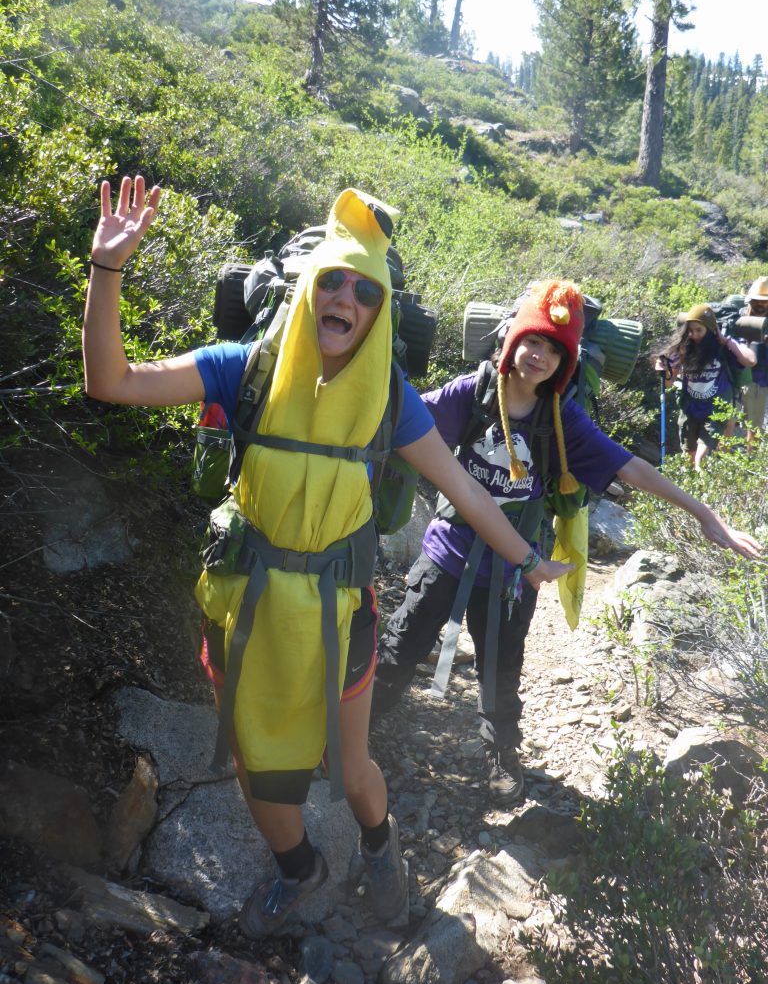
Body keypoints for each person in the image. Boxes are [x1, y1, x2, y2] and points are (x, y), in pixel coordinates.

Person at [81, 176, 574, 936]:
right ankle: (300, 867)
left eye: (364, 290)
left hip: (342, 608)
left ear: (378, 312)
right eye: (332, 281)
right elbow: (109, 381)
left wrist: (526, 560)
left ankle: (380, 846)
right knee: (256, 763)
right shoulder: (242, 367)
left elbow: (467, 496)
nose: (345, 297)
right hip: (245, 603)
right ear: (310, 289)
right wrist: (106, 270)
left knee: (350, 769)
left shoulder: (389, 398)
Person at [372, 281, 762, 805]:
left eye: (555, 349)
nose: (539, 356)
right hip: (448, 553)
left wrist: (703, 513)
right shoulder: (475, 391)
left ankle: (501, 755)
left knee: (501, 671)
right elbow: (406, 418)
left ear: (566, 361)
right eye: (533, 341)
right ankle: (358, 732)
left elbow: (631, 465)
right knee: (400, 649)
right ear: (512, 340)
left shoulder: (562, 418)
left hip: (513, 572)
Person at [656, 303, 757, 471]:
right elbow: (668, 383)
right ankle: (689, 487)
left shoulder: (723, 347)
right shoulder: (683, 349)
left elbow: (750, 360)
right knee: (689, 454)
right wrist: (663, 370)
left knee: (701, 456)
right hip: (690, 407)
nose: (694, 335)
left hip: (716, 408)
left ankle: (702, 491)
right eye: (690, 330)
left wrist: (726, 341)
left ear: (710, 329)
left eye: (699, 330)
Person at [740, 277, 768, 447]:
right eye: (756, 300)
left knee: (757, 428)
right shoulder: (740, 318)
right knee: (752, 428)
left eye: (764, 301)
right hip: (749, 380)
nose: (759, 304)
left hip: (762, 381)